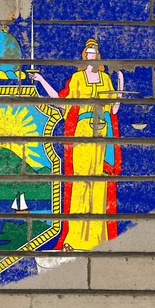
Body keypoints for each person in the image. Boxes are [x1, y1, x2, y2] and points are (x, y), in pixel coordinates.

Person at [29, 38, 123, 251]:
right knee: (80, 183)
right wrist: (42, 81)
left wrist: (120, 87)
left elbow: (113, 109)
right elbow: (63, 103)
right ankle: (75, 239)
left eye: (94, 51)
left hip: (101, 133)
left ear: (98, 56)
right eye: (88, 52)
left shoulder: (106, 80)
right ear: (84, 56)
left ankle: (97, 239)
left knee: (99, 184)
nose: (91, 55)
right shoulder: (77, 79)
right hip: (82, 133)